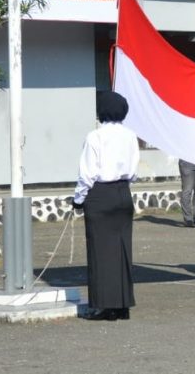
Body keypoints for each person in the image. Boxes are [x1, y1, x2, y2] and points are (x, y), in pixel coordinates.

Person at [72, 91, 140, 321]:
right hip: (123, 192)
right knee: (122, 250)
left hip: (100, 194)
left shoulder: (95, 136)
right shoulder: (130, 136)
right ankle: (122, 304)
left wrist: (78, 199)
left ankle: (103, 306)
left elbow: (87, 172)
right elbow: (133, 170)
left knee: (100, 251)